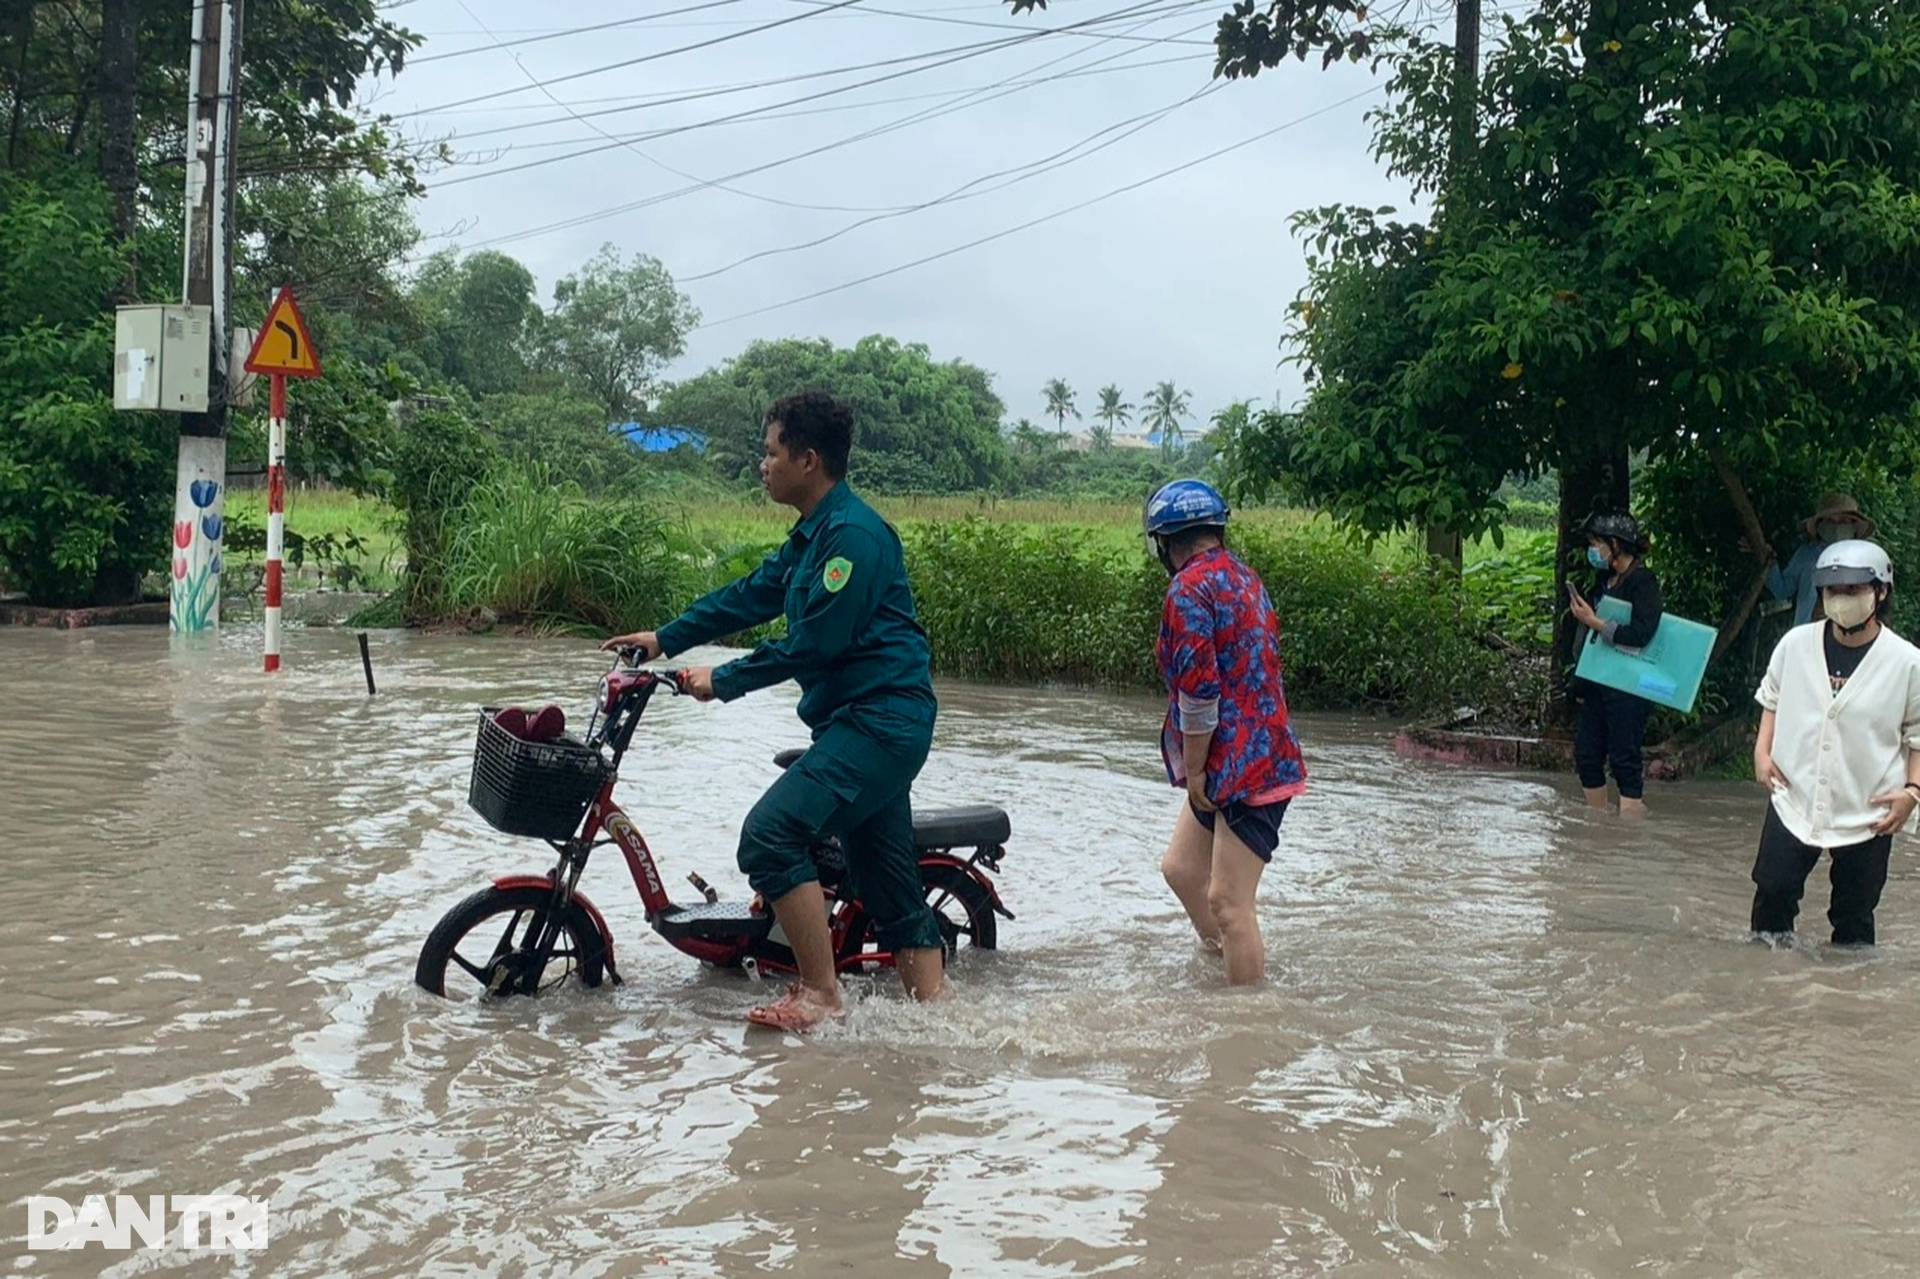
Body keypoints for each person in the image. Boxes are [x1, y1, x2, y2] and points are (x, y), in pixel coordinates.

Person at [603, 390, 944, 1030]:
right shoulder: (813, 535)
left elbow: (814, 640)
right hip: (859, 724)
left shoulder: (854, 540)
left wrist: (722, 679)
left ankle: (819, 993)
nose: (763, 465)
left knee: (770, 834)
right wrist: (666, 637)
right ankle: (943, 1024)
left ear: (808, 460)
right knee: (891, 889)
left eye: (770, 453)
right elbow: (753, 593)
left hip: (880, 723)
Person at [1147, 479, 1307, 986]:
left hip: (1242, 767)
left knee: (1229, 901)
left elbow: (1199, 694)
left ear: (1167, 544)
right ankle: (1232, 961)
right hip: (1250, 756)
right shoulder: (1245, 578)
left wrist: (1194, 772)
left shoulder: (1188, 588)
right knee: (1181, 869)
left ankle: (1247, 1019)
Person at [1749, 539, 1920, 947]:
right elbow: (1772, 698)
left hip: (1870, 807)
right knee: (1772, 897)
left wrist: (1913, 792)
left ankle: (1847, 1003)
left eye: (1853, 590)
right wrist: (1761, 751)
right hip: (1794, 793)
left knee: (1854, 917)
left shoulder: (1907, 662)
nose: (1841, 599)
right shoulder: (1794, 645)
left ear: (1880, 592)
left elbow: (1918, 734)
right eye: (1832, 591)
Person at [1566, 511, 1664, 815]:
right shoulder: (1604, 580)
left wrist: (1594, 621)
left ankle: (1630, 828)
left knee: (1624, 759)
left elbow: (1640, 634)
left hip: (1628, 687)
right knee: (1587, 755)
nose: (1592, 550)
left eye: (1597, 543)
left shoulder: (1643, 582)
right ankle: (1599, 822)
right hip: (1598, 682)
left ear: (1616, 545)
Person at [1761, 492, 1878, 626]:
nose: (1836, 527)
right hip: (1807, 637)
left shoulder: (1866, 561)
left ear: (1854, 526)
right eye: (1830, 521)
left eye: (1843, 521)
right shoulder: (1806, 555)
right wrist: (1767, 556)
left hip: (1853, 639)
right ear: (1819, 525)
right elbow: (1782, 590)